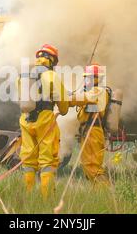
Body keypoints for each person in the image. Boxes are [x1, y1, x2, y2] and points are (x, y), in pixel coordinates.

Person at [18, 44, 69, 198]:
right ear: (52, 60)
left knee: (28, 160)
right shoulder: (51, 76)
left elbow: (20, 96)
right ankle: (46, 199)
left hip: (26, 119)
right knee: (47, 161)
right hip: (45, 119)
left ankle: (28, 195)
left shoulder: (24, 75)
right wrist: (62, 108)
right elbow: (64, 106)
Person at [70, 63, 111, 186]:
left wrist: (65, 98)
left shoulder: (98, 91)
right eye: (85, 77)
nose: (85, 80)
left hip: (93, 132)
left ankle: (105, 193)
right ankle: (99, 191)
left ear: (96, 79)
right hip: (88, 132)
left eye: (88, 77)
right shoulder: (93, 91)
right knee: (89, 165)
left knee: (93, 166)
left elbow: (82, 98)